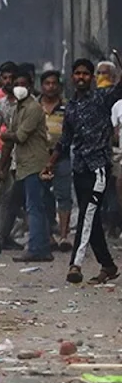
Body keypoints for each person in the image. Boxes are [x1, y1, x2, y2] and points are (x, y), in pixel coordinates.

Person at [52, 57, 122, 284]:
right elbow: (65, 140)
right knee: (90, 219)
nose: (81, 77)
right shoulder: (70, 106)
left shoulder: (102, 98)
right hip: (79, 167)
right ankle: (108, 265)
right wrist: (50, 162)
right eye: (77, 73)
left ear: (92, 78)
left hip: (98, 167)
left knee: (87, 215)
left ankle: (76, 264)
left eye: (85, 74)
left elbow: (119, 89)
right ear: (72, 77)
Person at [0, 72, 55, 263]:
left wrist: (6, 136)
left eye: (23, 83)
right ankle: (41, 247)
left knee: (34, 207)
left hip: (34, 164)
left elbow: (19, 136)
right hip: (23, 164)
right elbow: (10, 137)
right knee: (33, 206)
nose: (19, 87)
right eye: (16, 83)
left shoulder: (33, 108)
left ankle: (37, 248)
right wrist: (3, 165)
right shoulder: (17, 109)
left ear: (30, 86)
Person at [40, 70, 71, 251]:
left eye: (54, 83)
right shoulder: (34, 106)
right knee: (42, 197)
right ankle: (48, 236)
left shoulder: (67, 107)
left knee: (64, 195)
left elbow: (69, 134)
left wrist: (55, 157)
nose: (51, 87)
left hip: (62, 156)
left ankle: (64, 236)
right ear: (42, 86)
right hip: (39, 158)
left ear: (58, 86)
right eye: (47, 83)